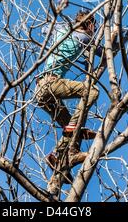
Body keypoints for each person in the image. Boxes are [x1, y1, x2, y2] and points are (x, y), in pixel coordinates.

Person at [35, 10, 103, 169]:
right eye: (94, 26)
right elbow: (106, 52)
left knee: (74, 131)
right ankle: (70, 136)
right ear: (90, 24)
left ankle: (60, 161)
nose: (95, 30)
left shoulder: (61, 28)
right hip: (51, 84)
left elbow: (45, 28)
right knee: (92, 91)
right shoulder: (84, 37)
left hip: (40, 90)